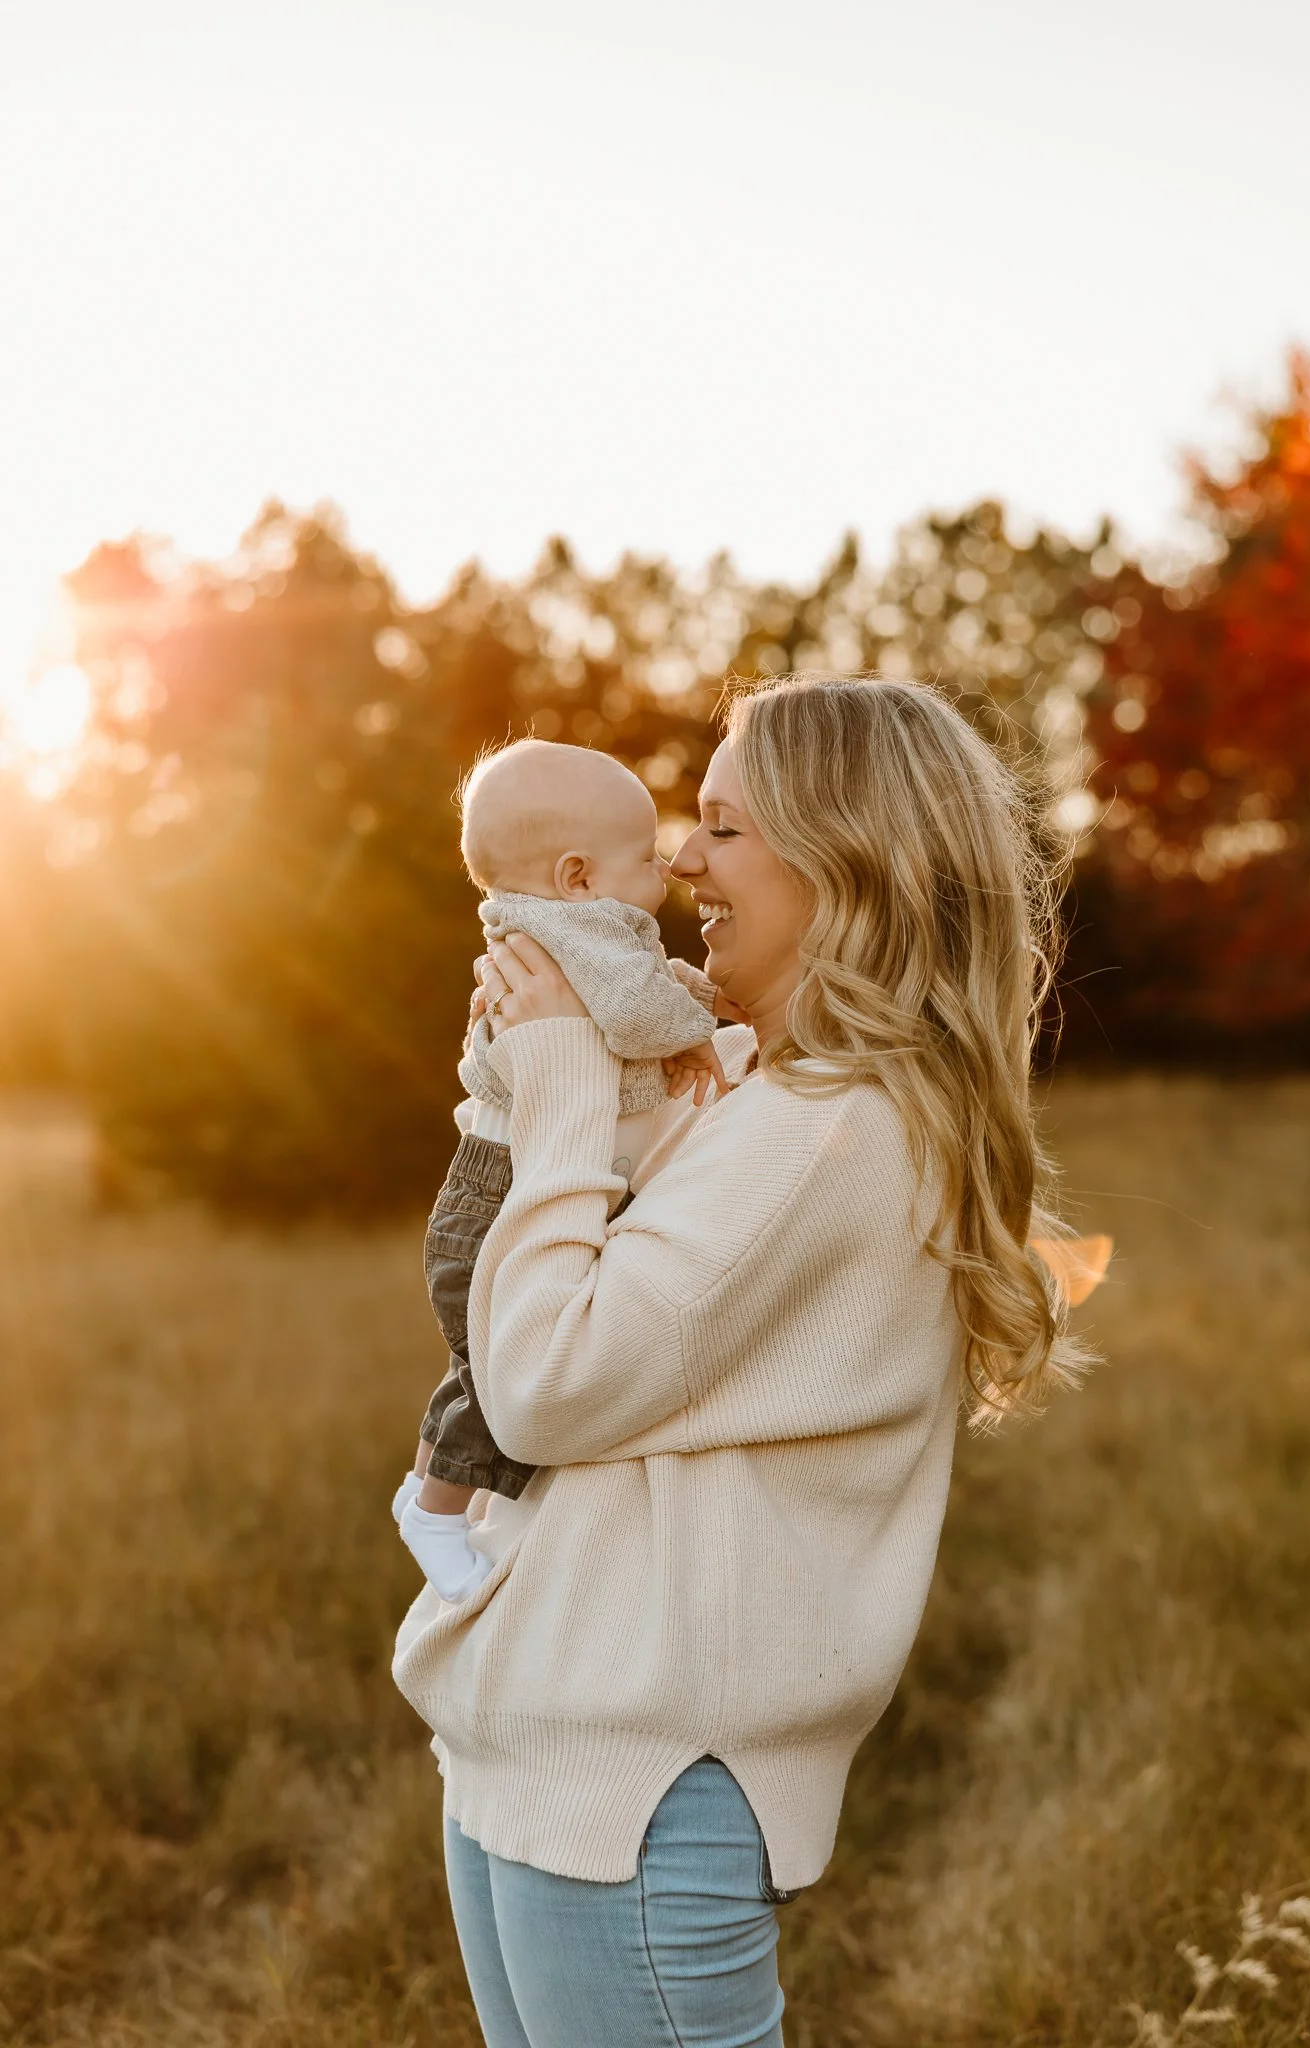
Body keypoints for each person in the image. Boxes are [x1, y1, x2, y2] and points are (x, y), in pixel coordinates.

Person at [391, 676, 1090, 2048]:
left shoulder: (833, 1128)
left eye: (724, 829)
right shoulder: (759, 1091)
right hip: (541, 1750)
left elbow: (542, 1379)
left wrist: (564, 1082)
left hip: (640, 1784)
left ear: (848, 866)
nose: (682, 863)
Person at [392, 738, 730, 1601]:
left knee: (479, 1361)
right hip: (499, 1189)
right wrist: (696, 1027)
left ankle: (432, 1501)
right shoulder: (578, 930)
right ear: (578, 874)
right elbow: (631, 1005)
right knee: (504, 1374)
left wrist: (691, 1012)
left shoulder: (553, 928)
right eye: (649, 859)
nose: (670, 872)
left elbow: (638, 996)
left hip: (492, 1181)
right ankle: (435, 1512)